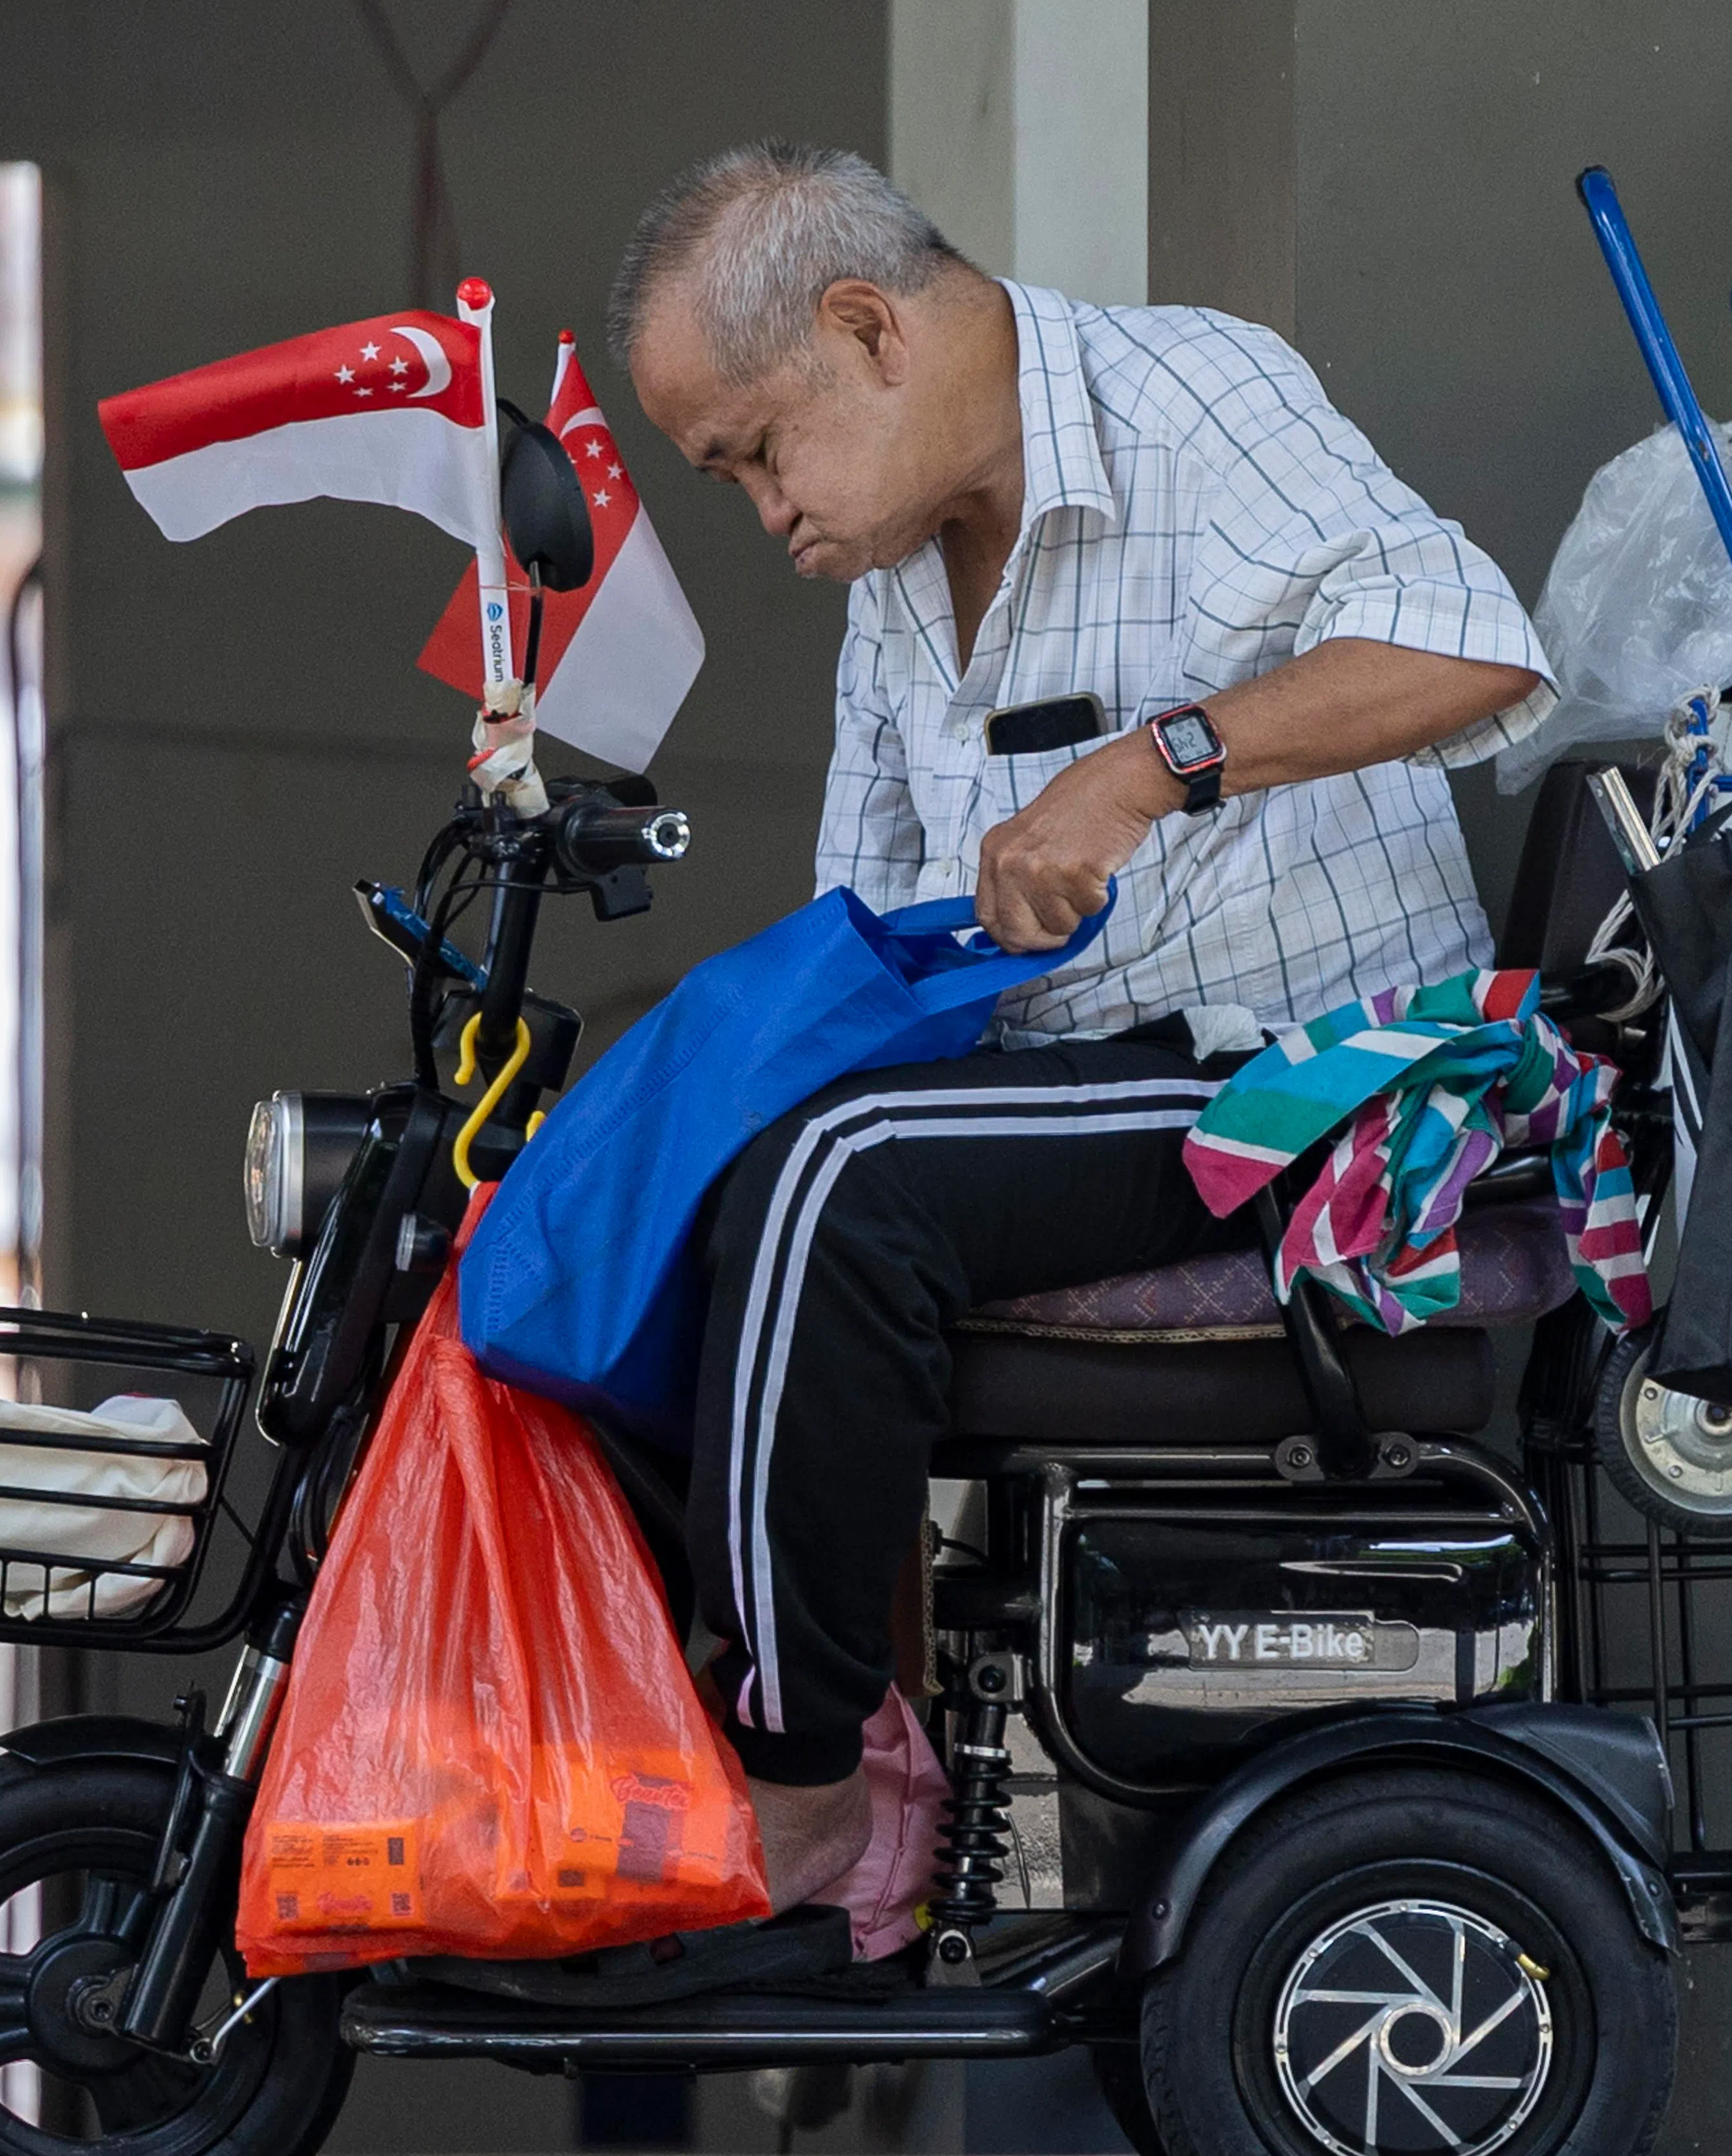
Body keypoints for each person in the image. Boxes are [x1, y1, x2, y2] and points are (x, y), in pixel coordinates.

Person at [609, 143, 1550, 1905]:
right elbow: (877, 935)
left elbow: (1477, 649)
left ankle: (797, 1783)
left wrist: (1151, 768)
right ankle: (853, 1726)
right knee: (715, 1163)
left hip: (1320, 1081)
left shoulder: (1195, 395)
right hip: (1101, 1088)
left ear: (869, 330)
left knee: (845, 1178)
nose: (766, 515)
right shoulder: (891, 571)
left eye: (753, 454)